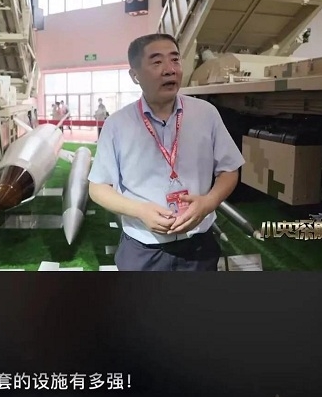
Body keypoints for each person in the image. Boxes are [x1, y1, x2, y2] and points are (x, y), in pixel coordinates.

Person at [88, 33, 245, 271]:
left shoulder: (206, 114)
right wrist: (140, 210)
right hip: (143, 248)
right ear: (135, 76)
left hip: (199, 246)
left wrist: (208, 203)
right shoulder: (117, 125)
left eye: (175, 60)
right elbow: (98, 187)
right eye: (157, 62)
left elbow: (229, 169)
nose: (170, 70)